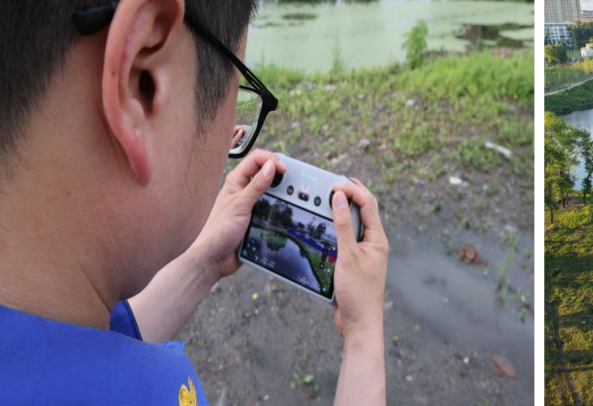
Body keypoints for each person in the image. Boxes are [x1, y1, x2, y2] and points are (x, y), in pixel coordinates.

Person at [0, 1, 389, 404]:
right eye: (239, 94)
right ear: (143, 83)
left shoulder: (47, 319)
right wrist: (363, 333)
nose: (233, 132)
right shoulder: (156, 394)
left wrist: (204, 262)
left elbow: (83, 348)